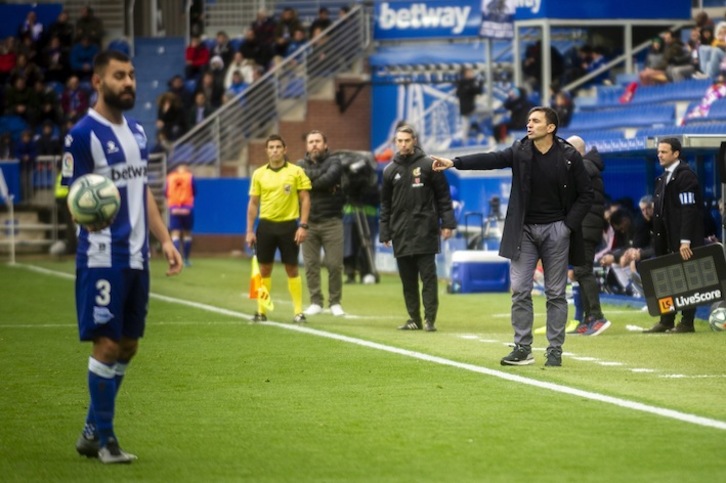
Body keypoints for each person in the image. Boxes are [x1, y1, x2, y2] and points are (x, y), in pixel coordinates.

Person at [63, 50, 183, 464]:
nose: (129, 82)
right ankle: (107, 441)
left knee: (129, 345)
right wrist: (88, 218)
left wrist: (164, 239)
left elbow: (143, 190)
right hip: (100, 256)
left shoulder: (137, 132)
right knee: (108, 345)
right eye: (119, 76)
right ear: (98, 82)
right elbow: (74, 197)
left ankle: (92, 429)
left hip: (137, 257)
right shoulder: (81, 136)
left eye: (132, 75)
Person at [432, 107, 593, 366]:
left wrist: (567, 227)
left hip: (557, 230)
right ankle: (522, 348)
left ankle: (554, 350)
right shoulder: (520, 150)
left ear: (551, 128)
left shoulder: (569, 156)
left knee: (555, 293)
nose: (529, 124)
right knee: (519, 290)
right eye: (528, 120)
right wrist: (455, 162)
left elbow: (587, 195)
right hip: (524, 231)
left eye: (535, 121)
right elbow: (491, 159)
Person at [380, 125, 457, 332]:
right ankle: (414, 319)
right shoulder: (389, 170)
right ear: (395, 142)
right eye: (400, 141)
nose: (403, 144)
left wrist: (448, 223)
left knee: (428, 278)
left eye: (407, 140)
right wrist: (385, 232)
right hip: (400, 232)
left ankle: (430, 319)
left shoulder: (429, 165)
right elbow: (385, 204)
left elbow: (443, 196)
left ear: (414, 140)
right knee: (408, 281)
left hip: (425, 230)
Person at [246, 134, 311, 323]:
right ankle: (261, 311)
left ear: (285, 149)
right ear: (266, 151)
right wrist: (250, 230)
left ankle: (298, 312)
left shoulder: (296, 172)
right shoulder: (259, 174)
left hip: (289, 226)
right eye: (271, 147)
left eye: (278, 147)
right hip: (266, 226)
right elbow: (253, 203)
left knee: (292, 269)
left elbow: (305, 199)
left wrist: (303, 225)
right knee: (264, 270)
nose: (274, 150)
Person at [643, 138, 704, 333]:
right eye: (658, 152)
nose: (659, 155)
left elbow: (689, 210)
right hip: (664, 239)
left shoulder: (686, 176)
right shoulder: (661, 179)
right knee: (666, 278)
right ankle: (666, 319)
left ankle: (687, 322)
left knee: (687, 279)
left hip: (682, 240)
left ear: (676, 154)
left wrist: (685, 241)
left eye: (664, 152)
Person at [297, 130, 346, 317]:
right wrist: (322, 181)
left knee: (334, 264)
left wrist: (310, 180)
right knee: (311, 264)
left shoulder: (335, 161)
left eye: (318, 141)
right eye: (311, 142)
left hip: (332, 220)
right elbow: (318, 180)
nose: (314, 144)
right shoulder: (300, 164)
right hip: (308, 221)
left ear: (325, 144)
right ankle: (316, 301)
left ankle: (335, 302)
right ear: (306, 146)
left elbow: (330, 177)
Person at [566, 136, 610, 336]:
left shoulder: (584, 167)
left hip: (585, 227)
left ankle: (597, 316)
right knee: (580, 271)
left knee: (583, 271)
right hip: (583, 227)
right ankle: (588, 319)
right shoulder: (587, 167)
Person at [166, 163, 196, 267]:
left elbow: (166, 192)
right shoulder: (190, 177)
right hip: (187, 208)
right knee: (187, 234)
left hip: (174, 209)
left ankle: (175, 259)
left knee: (175, 234)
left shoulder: (170, 177)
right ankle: (186, 259)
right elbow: (194, 191)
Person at [455, 66, 483, 140]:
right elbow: (459, 93)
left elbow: (478, 91)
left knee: (487, 113)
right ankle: (464, 140)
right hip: (466, 108)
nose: (471, 74)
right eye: (469, 73)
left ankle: (475, 136)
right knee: (465, 125)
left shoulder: (471, 82)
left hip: (471, 107)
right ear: (465, 74)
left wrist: (480, 83)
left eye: (472, 72)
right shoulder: (463, 82)